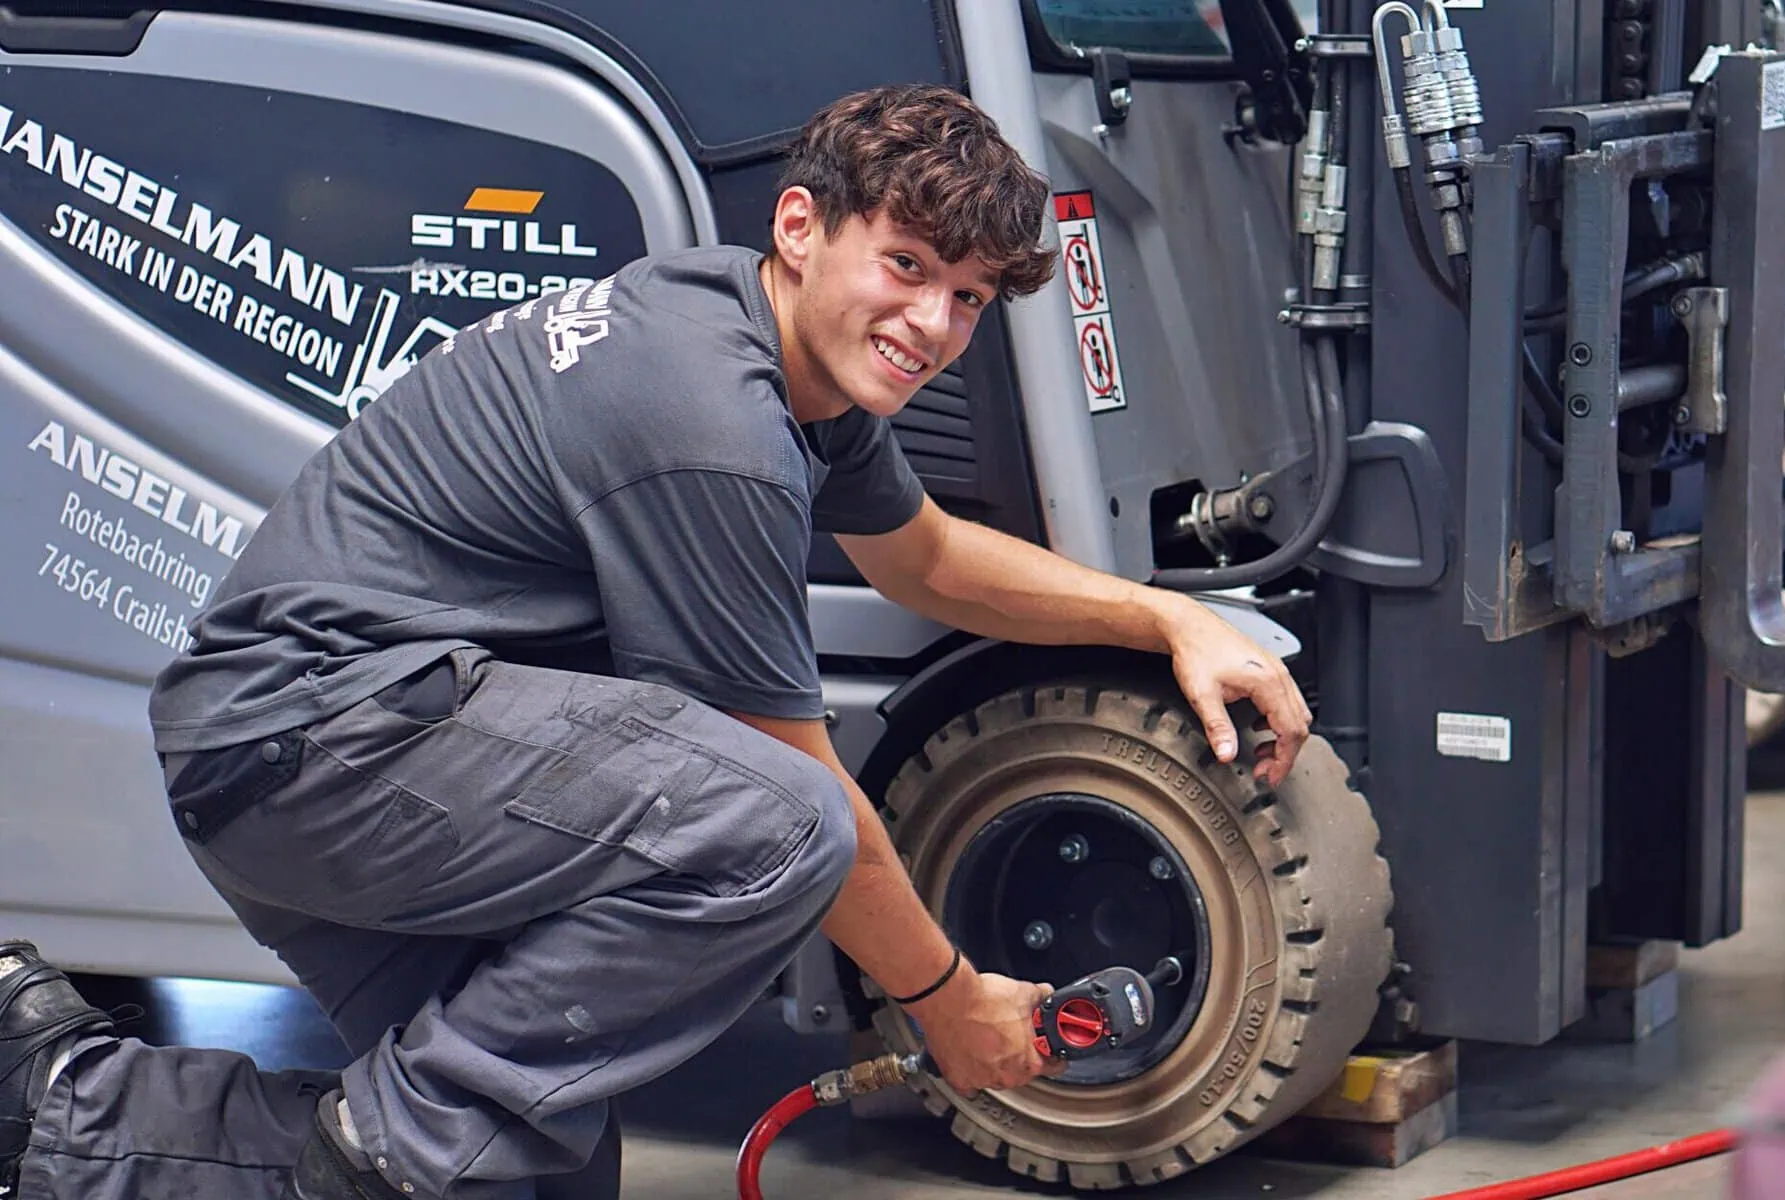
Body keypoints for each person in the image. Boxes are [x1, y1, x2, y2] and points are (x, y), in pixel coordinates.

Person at [0, 82, 1313, 1200]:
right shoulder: (711, 422)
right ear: (801, 226)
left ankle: (77, 1103)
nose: (933, 325)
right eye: (907, 268)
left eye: (968, 298)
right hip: (328, 745)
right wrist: (947, 1000)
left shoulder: (760, 341)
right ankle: (158, 1113)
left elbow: (921, 560)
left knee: (526, 1168)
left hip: (324, 755)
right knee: (778, 825)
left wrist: (1166, 615)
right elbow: (806, 803)